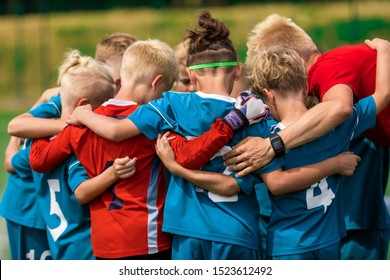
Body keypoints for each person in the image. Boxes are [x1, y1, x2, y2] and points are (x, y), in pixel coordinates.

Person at [51, 11, 360, 260]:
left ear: (192, 75)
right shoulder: (254, 117)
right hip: (237, 233)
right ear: (238, 71)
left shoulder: (171, 105)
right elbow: (232, 185)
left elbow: (116, 131)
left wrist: (82, 114)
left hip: (187, 233)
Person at [223, 13, 390, 259]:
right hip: (334, 237)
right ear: (303, 86)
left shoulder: (264, 133)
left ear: (268, 94)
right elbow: (382, 96)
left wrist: (272, 145)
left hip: (290, 244)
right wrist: (384, 50)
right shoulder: (341, 128)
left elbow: (338, 108)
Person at [30, 40, 178, 260]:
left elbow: (39, 161)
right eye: (164, 91)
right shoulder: (154, 119)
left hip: (104, 243)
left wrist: (39, 123)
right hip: (148, 239)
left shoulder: (80, 126)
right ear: (156, 82)